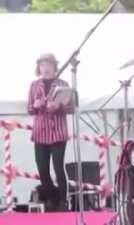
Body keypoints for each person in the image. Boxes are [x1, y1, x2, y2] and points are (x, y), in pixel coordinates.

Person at [27, 53, 74, 211]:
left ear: (54, 66)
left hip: (57, 133)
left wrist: (58, 106)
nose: (45, 68)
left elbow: (71, 107)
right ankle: (52, 198)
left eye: (48, 65)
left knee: (59, 168)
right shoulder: (34, 85)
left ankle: (63, 201)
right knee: (42, 170)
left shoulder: (63, 84)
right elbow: (30, 109)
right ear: (38, 68)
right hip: (40, 133)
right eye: (42, 65)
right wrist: (35, 104)